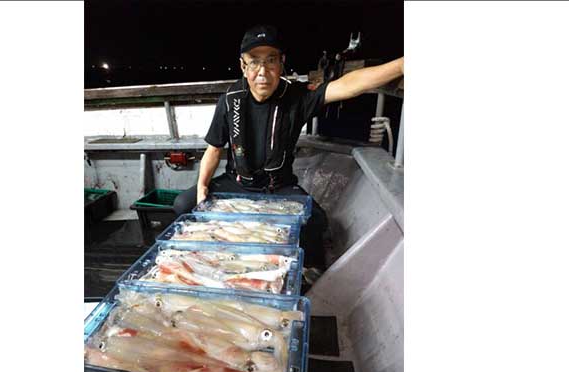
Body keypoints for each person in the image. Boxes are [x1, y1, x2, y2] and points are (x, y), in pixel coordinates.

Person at [173, 24, 404, 268]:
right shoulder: (230, 101)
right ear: (243, 66)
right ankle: (210, 260)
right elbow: (214, 149)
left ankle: (308, 275)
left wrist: (400, 66)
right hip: (236, 182)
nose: (262, 71)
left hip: (278, 186)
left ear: (282, 63)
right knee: (183, 204)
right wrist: (202, 186)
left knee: (315, 222)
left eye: (271, 60)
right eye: (254, 62)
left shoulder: (297, 97)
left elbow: (348, 85)